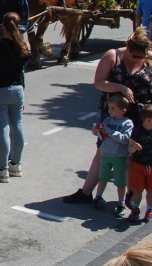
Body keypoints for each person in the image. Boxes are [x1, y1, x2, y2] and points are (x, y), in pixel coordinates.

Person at [63, 27, 152, 204]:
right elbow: (99, 82)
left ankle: (130, 195)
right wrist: (120, 88)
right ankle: (86, 192)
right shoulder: (113, 56)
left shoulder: (148, 58)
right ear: (128, 46)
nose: (138, 59)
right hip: (114, 114)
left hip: (139, 116)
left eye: (141, 57)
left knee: (132, 155)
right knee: (103, 152)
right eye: (134, 56)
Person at [0, 12, 30, 182]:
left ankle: (3, 168)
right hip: (17, 89)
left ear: (2, 26)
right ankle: (16, 163)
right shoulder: (22, 46)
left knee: (3, 129)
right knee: (17, 126)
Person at [91, 93, 134, 217]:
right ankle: (98, 197)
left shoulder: (127, 123)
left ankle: (121, 203)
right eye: (109, 108)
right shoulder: (107, 120)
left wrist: (109, 131)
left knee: (120, 181)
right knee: (102, 177)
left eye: (113, 108)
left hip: (119, 157)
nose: (109, 111)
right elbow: (100, 133)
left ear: (123, 110)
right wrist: (96, 131)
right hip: (105, 154)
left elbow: (125, 139)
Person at [126, 105, 152, 223]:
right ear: (147, 119)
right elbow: (130, 149)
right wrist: (134, 147)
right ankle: (135, 209)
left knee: (151, 190)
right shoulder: (137, 131)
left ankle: (149, 210)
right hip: (138, 165)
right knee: (138, 190)